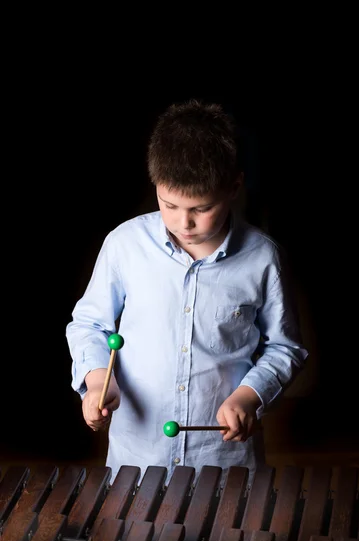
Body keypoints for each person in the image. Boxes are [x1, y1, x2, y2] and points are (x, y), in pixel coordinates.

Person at [65, 99, 308, 485]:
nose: (185, 222)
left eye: (202, 207)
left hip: (222, 462)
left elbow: (285, 347)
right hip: (137, 459)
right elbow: (88, 324)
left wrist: (250, 395)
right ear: (155, 186)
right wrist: (97, 380)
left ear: (234, 186)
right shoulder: (125, 245)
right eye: (170, 204)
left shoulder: (262, 257)